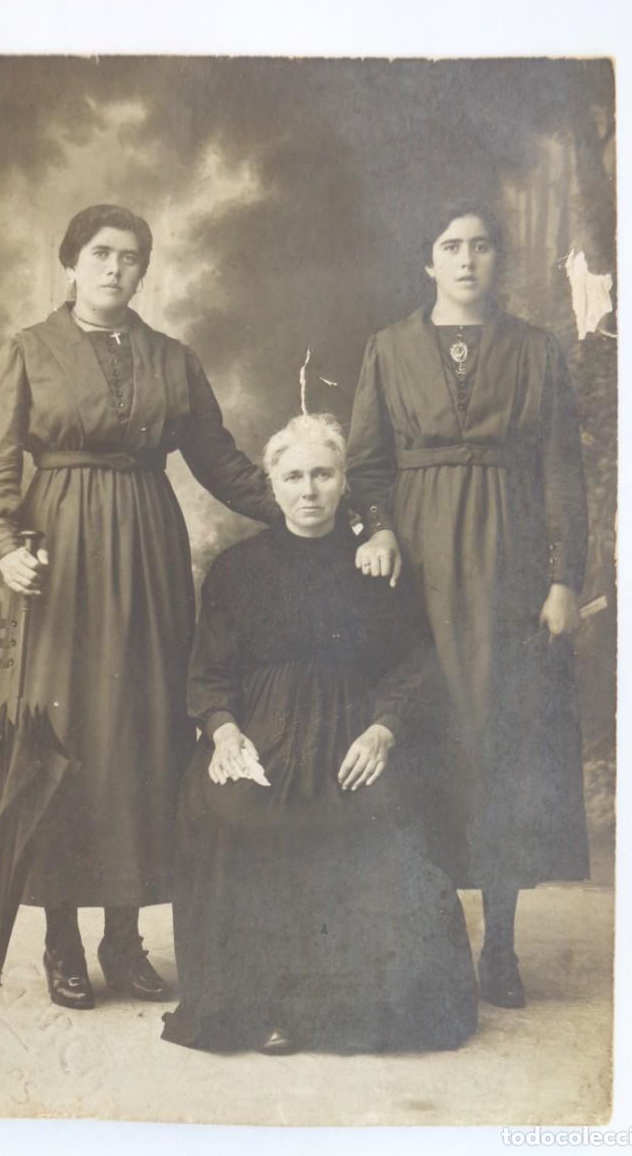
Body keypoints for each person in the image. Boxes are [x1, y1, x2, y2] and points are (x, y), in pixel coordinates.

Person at [0, 203, 277, 1011]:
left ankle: (125, 938)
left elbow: (222, 463)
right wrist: (4, 543)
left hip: (147, 549)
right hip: (61, 550)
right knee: (67, 737)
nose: (115, 268)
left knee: (142, 731)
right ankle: (62, 941)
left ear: (144, 270)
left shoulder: (173, 359)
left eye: (132, 257)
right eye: (101, 253)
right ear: (72, 261)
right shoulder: (29, 351)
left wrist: (305, 506)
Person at [161, 414, 477, 1054]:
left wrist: (385, 732)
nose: (308, 490)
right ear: (272, 486)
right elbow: (209, 672)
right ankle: (260, 1006)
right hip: (261, 731)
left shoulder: (377, 566)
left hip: (351, 733)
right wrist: (223, 736)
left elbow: (413, 668)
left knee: (374, 815)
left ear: (343, 484)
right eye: (294, 476)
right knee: (231, 811)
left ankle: (344, 1010)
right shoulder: (237, 568)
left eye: (323, 475)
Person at [347, 204, 590, 1008]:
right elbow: (367, 464)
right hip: (415, 566)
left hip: (510, 565)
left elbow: (561, 472)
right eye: (450, 245)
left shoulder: (535, 350)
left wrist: (563, 581)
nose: (467, 259)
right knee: (422, 735)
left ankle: (503, 947)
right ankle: (424, 939)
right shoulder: (387, 349)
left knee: (502, 744)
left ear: (497, 260)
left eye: (481, 246)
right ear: (427, 261)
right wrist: (378, 530)